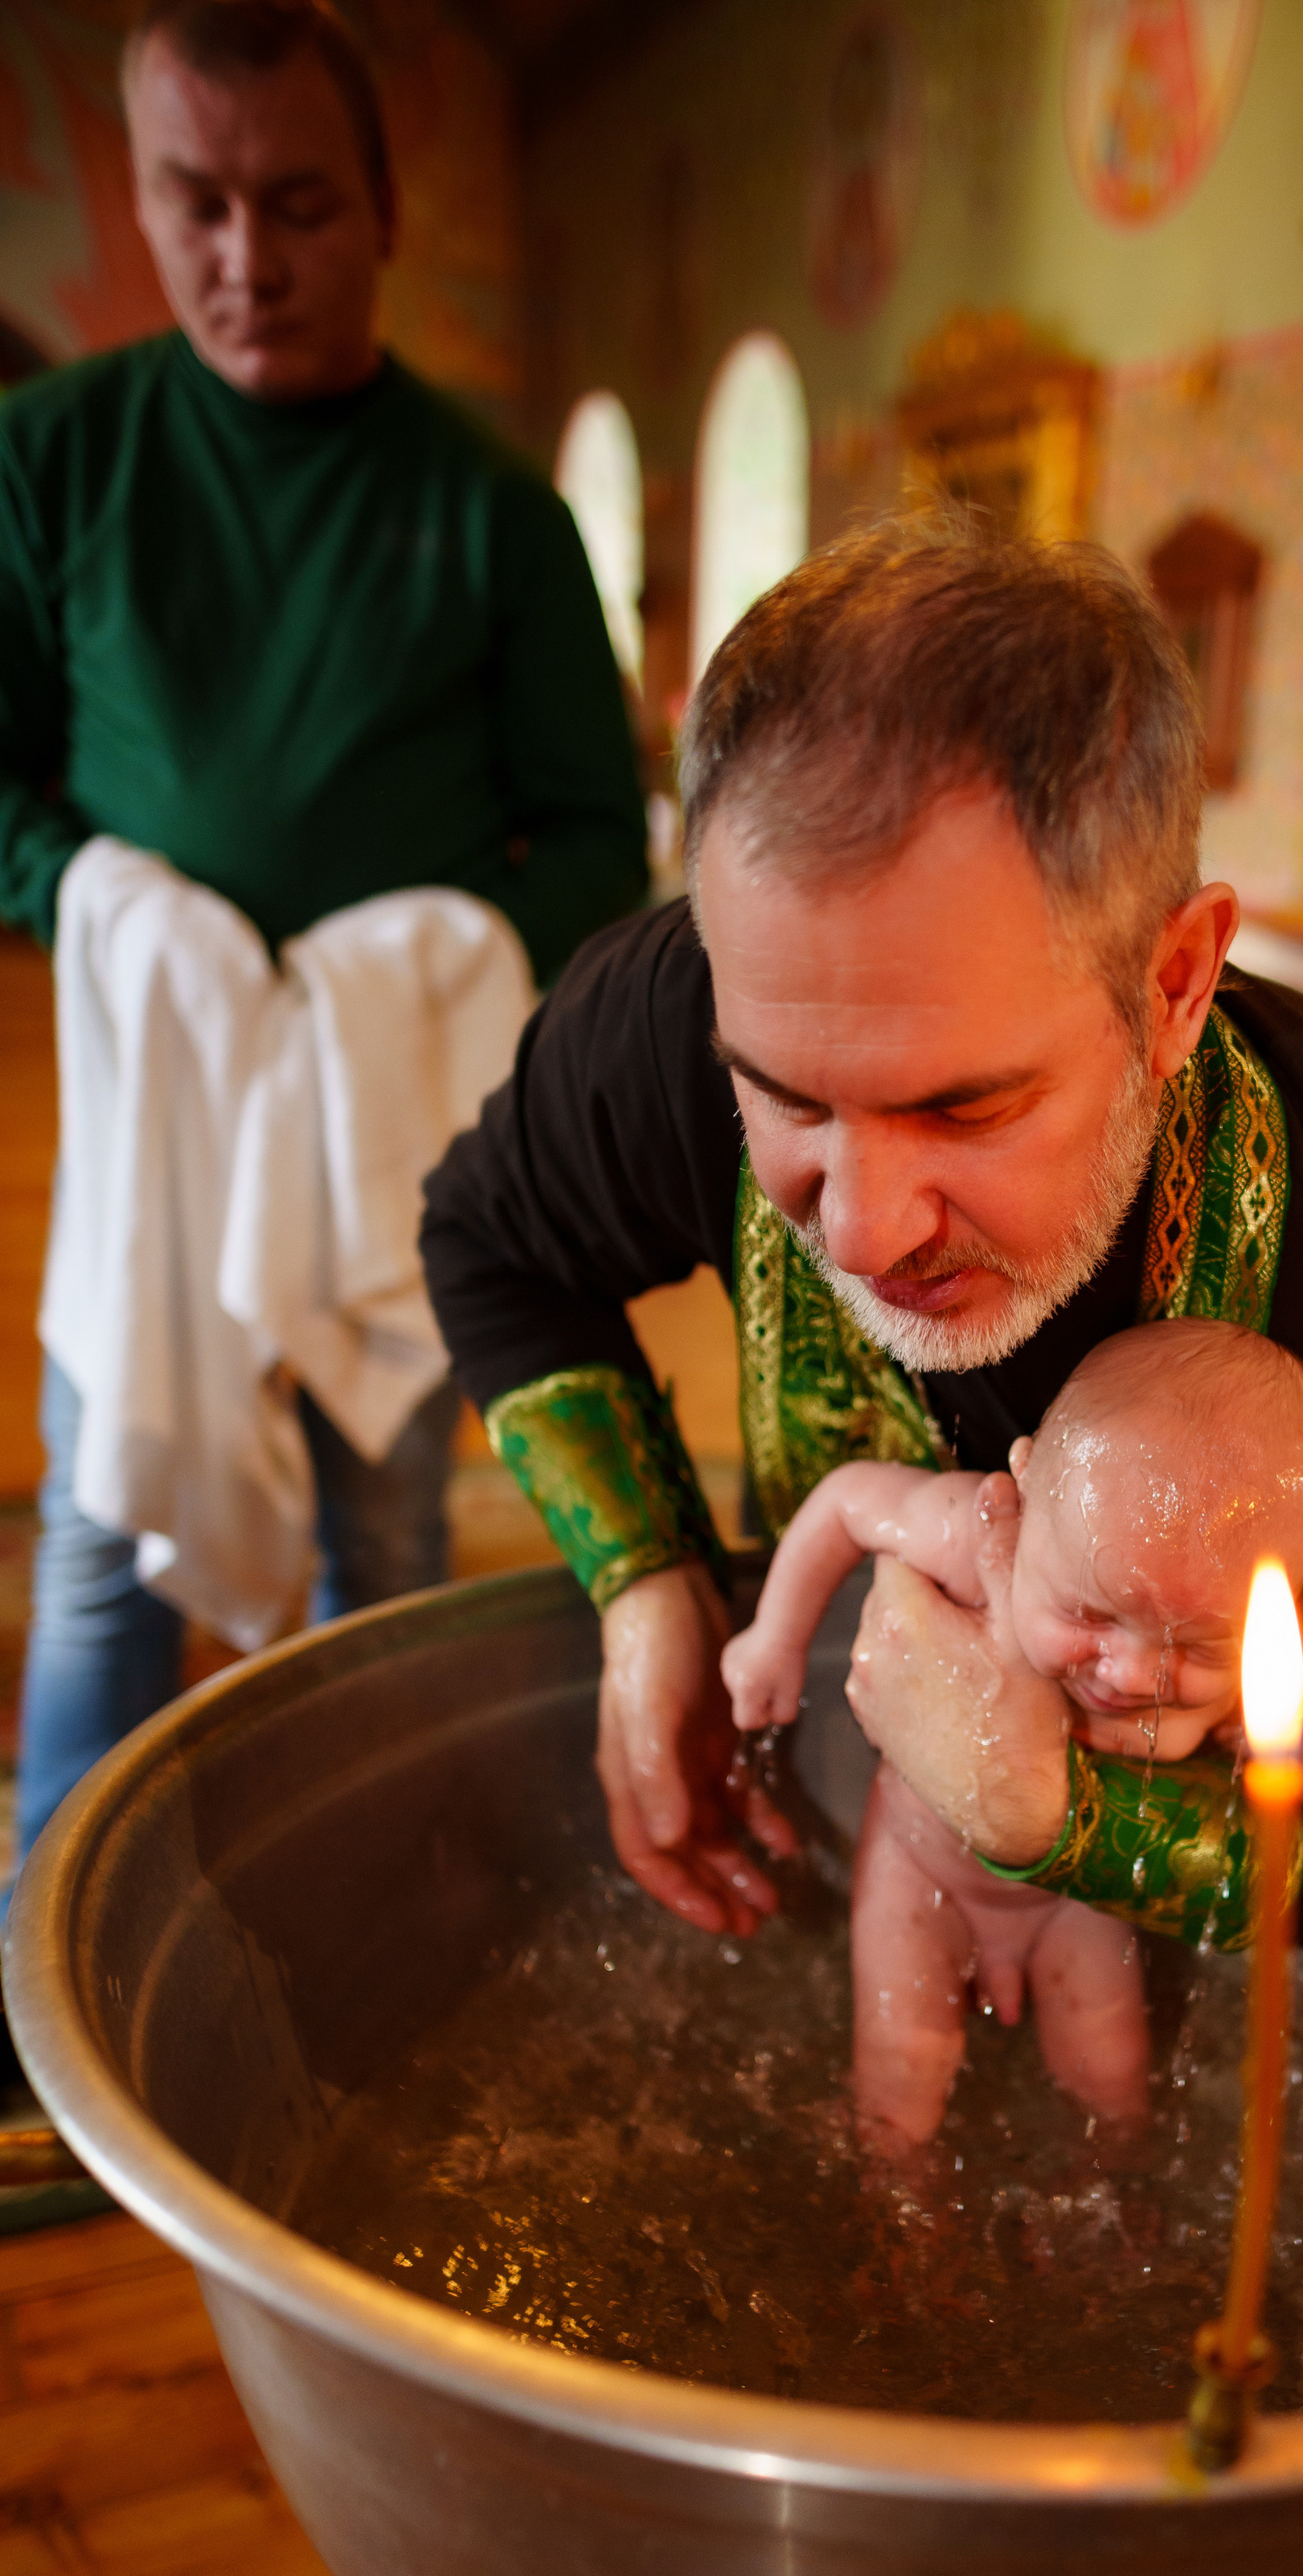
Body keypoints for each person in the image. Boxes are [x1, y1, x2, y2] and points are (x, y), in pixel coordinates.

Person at [420, 519, 1303, 1980]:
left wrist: (1057, 1819)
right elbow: (491, 1242)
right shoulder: (665, 1018)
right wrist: (647, 1587)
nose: (868, 1227)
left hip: (1186, 2001)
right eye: (787, 1097)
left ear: (1177, 982)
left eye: (965, 1106)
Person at [0, 0, 647, 1892]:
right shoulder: (50, 461)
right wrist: (106, 902)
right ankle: (45, 1988)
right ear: (140, 193)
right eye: (192, 204)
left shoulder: (491, 509)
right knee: (110, 1532)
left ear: (379, 206)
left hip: (399, 1123)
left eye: (295, 205)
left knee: (387, 1534)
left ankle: (375, 1908)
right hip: (152, 1110)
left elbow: (597, 835)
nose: (242, 259)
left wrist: (423, 962)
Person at [720, 1320, 1303, 2148]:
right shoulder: (977, 1535)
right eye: (1086, 1613)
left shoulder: (1225, 1676)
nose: (1125, 1675)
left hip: (1073, 1907)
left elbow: (1278, 1726)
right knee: (899, 2074)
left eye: (1192, 1648)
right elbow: (846, 1504)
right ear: (1024, 1489)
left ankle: (1111, 2219)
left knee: (1111, 2081)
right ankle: (899, 2224)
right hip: (918, 1873)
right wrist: (774, 1637)